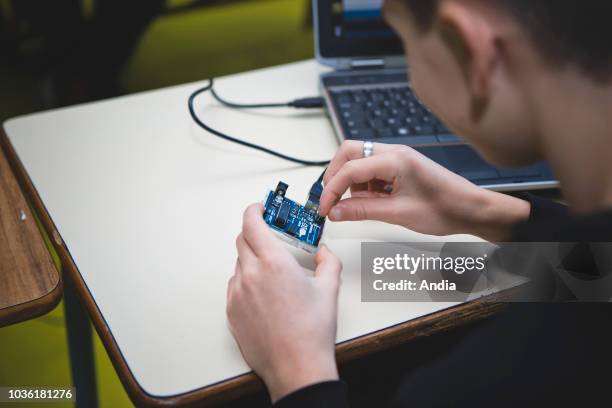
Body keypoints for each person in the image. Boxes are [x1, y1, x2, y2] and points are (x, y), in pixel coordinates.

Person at [226, 0, 612, 406]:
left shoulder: (498, 380)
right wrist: (490, 213)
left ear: (469, 49)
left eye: (405, 44)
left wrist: (297, 373)